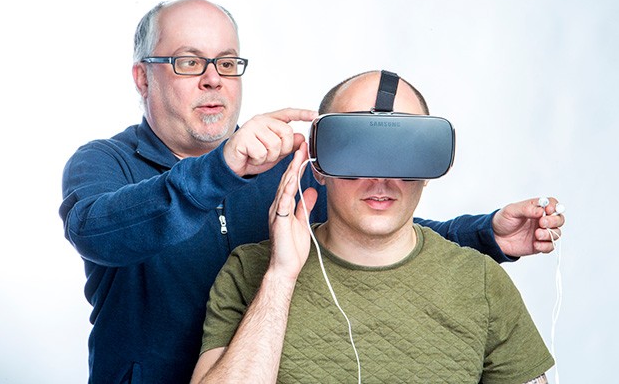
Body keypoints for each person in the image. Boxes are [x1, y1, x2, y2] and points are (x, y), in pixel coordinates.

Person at [59, 0, 564, 384]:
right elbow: (99, 232)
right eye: (189, 63)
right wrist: (222, 170)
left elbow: (366, 220)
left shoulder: (284, 168)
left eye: (228, 62)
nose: (213, 80)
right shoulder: (103, 163)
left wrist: (486, 235)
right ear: (142, 78)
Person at [191, 71, 556, 384]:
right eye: (356, 150)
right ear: (317, 164)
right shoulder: (248, 272)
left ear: (427, 170)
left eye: (403, 152)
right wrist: (280, 277)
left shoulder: (482, 283)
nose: (380, 177)